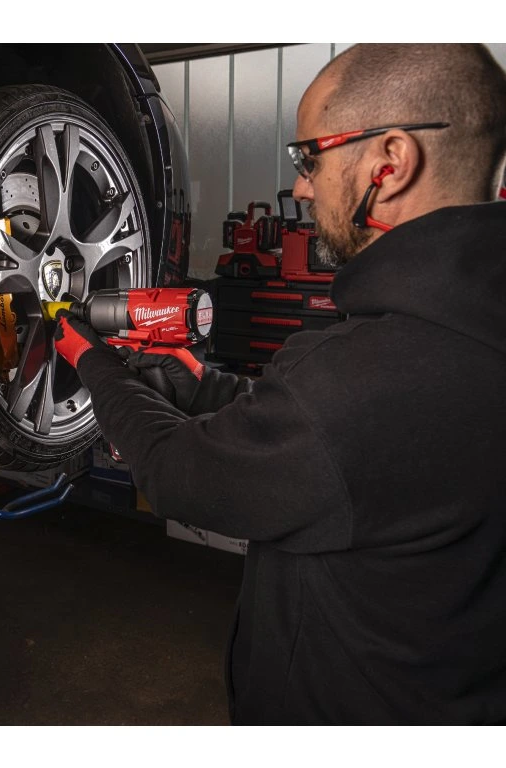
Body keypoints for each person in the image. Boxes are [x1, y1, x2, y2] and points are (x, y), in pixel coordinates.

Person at [54, 44, 506, 724]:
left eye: (311, 157)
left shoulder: (366, 373)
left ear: (390, 163)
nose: (301, 186)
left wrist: (92, 363)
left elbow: (180, 474)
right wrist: (207, 388)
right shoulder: (455, 334)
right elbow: (346, 452)